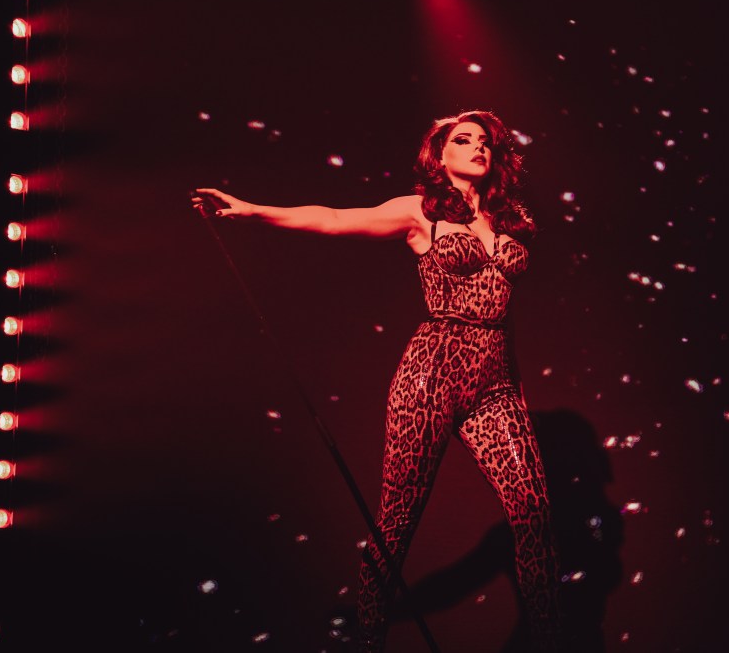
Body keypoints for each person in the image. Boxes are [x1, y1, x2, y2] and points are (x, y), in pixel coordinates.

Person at [192, 110, 560, 652]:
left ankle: (549, 641)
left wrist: (517, 393)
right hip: (431, 375)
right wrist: (251, 211)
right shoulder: (419, 211)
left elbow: (503, 317)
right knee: (398, 520)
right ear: (440, 155)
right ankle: (369, 639)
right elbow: (335, 219)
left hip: (495, 381)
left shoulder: (508, 221)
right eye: (463, 140)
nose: (477, 147)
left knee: (533, 509)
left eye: (484, 141)